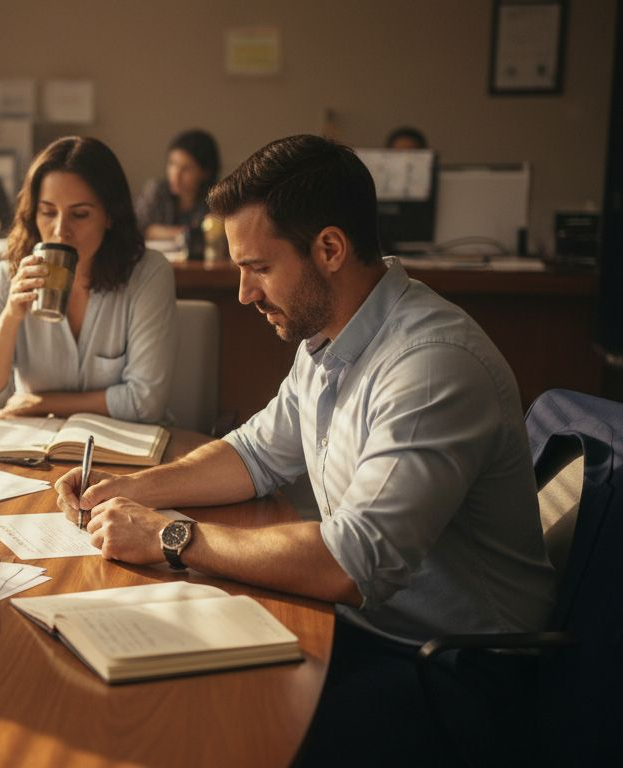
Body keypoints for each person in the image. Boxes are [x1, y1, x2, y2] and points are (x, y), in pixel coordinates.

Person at [54, 134, 554, 764]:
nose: (243, 293)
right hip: (369, 632)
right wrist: (129, 489)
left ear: (330, 249)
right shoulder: (328, 339)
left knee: (216, 731)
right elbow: (253, 455)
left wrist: (172, 536)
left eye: (258, 268)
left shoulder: (431, 366)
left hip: (455, 673)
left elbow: (352, 562)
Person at [0, 136, 176, 424]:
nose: (61, 230)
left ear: (110, 215)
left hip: (126, 451)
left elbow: (145, 403)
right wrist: (11, 317)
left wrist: (42, 403)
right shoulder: (7, 276)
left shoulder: (148, 274)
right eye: (48, 212)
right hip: (32, 449)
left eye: (80, 214)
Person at [134, 129, 220, 244]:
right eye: (172, 164)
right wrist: (180, 233)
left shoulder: (215, 197)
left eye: (186, 168)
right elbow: (137, 227)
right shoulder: (157, 191)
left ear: (205, 172)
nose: (175, 175)